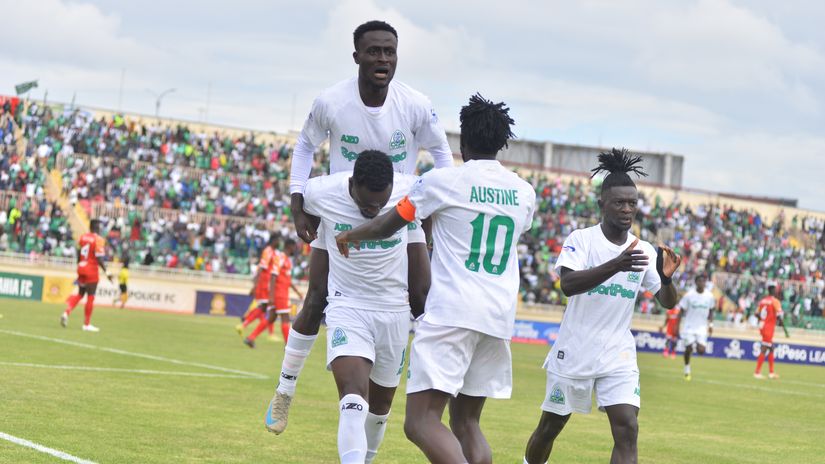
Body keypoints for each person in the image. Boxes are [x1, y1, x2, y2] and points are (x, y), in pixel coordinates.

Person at [266, 19, 453, 435]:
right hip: (342, 211)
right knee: (315, 301)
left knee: (423, 298)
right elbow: (304, 146)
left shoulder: (416, 104)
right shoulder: (332, 101)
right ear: (357, 57)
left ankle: (435, 394)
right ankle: (284, 390)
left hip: (404, 213)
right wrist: (298, 205)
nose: (382, 59)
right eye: (373, 51)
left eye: (389, 51)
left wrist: (440, 210)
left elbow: (442, 155)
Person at [336, 94, 536, 464]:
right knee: (467, 423)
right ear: (502, 141)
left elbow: (386, 225)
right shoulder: (525, 193)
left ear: (462, 140)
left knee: (421, 422)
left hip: (451, 313)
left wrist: (351, 235)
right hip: (497, 316)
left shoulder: (443, 182)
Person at [523, 149, 680, 464]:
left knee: (627, 428)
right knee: (550, 426)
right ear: (602, 205)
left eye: (632, 203)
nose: (627, 209)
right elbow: (567, 285)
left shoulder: (644, 250)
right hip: (575, 348)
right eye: (619, 202)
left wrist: (665, 281)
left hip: (617, 351)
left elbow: (668, 303)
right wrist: (616, 265)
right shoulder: (581, 240)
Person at [281, 150, 423, 463]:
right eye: (366, 203)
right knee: (353, 397)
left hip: (394, 312)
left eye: (380, 203)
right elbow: (300, 196)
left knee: (379, 411)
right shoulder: (323, 192)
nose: (373, 210)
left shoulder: (411, 188)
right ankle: (284, 388)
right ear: (353, 184)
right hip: (348, 306)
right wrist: (299, 215)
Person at [244, 239, 303, 348]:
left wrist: (297, 292)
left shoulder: (287, 261)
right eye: (294, 247)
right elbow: (273, 276)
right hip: (279, 294)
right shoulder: (280, 258)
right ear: (289, 247)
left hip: (282, 293)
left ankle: (251, 338)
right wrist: (271, 296)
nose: (295, 249)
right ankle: (288, 346)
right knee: (285, 317)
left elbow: (287, 280)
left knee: (271, 317)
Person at [61, 219, 113, 332]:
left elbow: (79, 253)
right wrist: (107, 272)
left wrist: (79, 266)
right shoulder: (98, 239)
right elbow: (99, 258)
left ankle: (66, 312)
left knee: (80, 294)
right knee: (91, 296)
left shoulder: (83, 237)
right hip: (91, 269)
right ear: (97, 227)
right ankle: (86, 324)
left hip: (81, 267)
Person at [237, 235, 279, 346]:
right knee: (270, 308)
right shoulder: (268, 251)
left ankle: (244, 325)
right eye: (278, 240)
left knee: (264, 308)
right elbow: (261, 267)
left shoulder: (273, 252)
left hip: (267, 284)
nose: (280, 242)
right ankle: (269, 334)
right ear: (274, 241)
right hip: (265, 284)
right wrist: (255, 285)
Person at [676, 273, 715, 381]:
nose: (701, 283)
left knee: (701, 350)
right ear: (696, 283)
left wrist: (711, 325)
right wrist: (677, 326)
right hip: (689, 326)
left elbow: (711, 311)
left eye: (703, 281)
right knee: (688, 348)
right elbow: (681, 311)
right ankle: (687, 369)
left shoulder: (709, 296)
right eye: (699, 281)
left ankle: (695, 345)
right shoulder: (689, 295)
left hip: (702, 327)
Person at [754, 281, 785, 379]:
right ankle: (757, 372)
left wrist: (762, 320)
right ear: (774, 290)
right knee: (764, 348)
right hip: (769, 327)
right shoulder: (775, 301)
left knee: (771, 348)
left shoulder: (763, 301)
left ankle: (771, 373)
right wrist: (781, 324)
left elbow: (756, 313)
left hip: (763, 326)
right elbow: (780, 316)